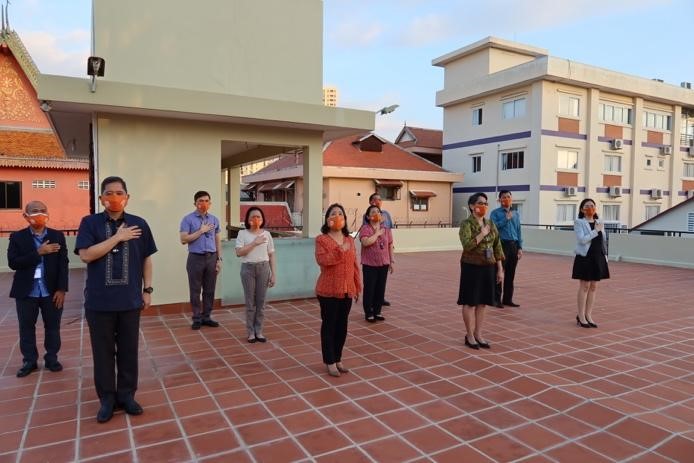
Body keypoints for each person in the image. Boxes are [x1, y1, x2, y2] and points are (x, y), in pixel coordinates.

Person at [75, 176, 157, 423]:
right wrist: (117, 237)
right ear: (101, 198)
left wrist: (148, 289)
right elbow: (86, 255)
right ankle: (107, 399)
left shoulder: (139, 224)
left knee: (129, 352)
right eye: (109, 193)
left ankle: (127, 396)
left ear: (127, 197)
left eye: (119, 193)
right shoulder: (89, 223)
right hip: (99, 303)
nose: (114, 197)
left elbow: (146, 259)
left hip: (130, 301)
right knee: (103, 353)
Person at [8, 201, 69, 377]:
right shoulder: (17, 237)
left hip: (51, 292)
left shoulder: (57, 236)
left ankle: (51, 358)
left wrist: (61, 289)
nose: (39, 213)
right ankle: (29, 361)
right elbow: (14, 263)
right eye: (34, 211)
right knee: (26, 328)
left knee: (53, 327)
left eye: (43, 210)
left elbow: (63, 264)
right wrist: (39, 252)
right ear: (25, 216)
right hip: (27, 292)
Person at [315, 204, 361, 377]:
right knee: (329, 325)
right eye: (333, 213)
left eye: (340, 213)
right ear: (327, 219)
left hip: (347, 289)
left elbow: (354, 265)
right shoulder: (322, 239)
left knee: (342, 326)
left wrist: (357, 285)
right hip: (328, 290)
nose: (337, 216)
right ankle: (329, 360)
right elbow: (322, 260)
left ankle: (338, 358)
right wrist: (339, 252)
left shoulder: (349, 239)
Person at [457, 193, 504, 350]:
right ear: (471, 206)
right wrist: (482, 234)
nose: (483, 206)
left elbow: (497, 246)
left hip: (488, 266)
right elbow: (467, 245)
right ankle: (469, 335)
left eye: (486, 203)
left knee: (482, 302)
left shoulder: (490, 223)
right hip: (471, 266)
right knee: (470, 301)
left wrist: (500, 269)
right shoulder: (466, 224)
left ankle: (478, 333)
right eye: (480, 203)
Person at [179, 191, 222, 330]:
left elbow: (217, 240)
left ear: (210, 203)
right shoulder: (188, 219)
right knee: (195, 289)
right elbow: (183, 239)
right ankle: (197, 318)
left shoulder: (214, 219)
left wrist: (219, 259)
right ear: (195, 203)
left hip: (212, 257)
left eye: (206, 201)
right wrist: (201, 231)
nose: (203, 203)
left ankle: (207, 316)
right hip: (195, 258)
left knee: (210, 289)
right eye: (200, 201)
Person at [235, 207, 276, 343]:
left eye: (258, 217)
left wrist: (273, 274)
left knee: (261, 301)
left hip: (263, 268)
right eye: (252, 217)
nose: (256, 219)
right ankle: (250, 332)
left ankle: (259, 330)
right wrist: (254, 242)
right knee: (250, 302)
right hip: (248, 269)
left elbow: (271, 255)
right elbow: (239, 252)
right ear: (247, 219)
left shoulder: (267, 234)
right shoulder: (242, 233)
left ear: (262, 219)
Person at [572, 198, 610, 328]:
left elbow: (603, 241)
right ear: (582, 209)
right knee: (585, 286)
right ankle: (581, 315)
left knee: (594, 286)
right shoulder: (579, 222)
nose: (590, 208)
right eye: (587, 206)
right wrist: (596, 231)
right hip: (585, 257)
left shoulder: (600, 222)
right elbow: (582, 240)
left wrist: (605, 257)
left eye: (592, 205)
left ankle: (589, 315)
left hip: (598, 257)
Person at [359, 205, 394, 323]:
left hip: (383, 263)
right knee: (370, 288)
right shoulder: (365, 228)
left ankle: (377, 311)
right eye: (373, 212)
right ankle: (369, 312)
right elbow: (366, 242)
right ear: (368, 217)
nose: (376, 213)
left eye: (378, 211)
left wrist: (391, 261)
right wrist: (377, 234)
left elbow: (390, 245)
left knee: (380, 288)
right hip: (369, 264)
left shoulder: (386, 229)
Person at [490, 190, 523, 308]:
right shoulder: (495, 213)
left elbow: (518, 230)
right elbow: (493, 228)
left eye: (508, 197)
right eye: (504, 197)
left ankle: (508, 299)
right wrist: (506, 219)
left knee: (511, 273)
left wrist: (520, 247)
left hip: (513, 246)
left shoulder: (516, 213)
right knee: (498, 273)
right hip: (501, 245)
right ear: (499, 200)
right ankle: (496, 299)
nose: (506, 199)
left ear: (512, 199)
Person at [365, 193, 394, 306]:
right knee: (372, 281)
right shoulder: (367, 215)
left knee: (382, 280)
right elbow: (366, 232)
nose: (378, 201)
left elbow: (390, 232)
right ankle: (371, 302)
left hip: (384, 250)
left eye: (380, 199)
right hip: (372, 251)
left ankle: (380, 299)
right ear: (371, 201)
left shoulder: (386, 214)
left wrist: (391, 251)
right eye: (376, 200)